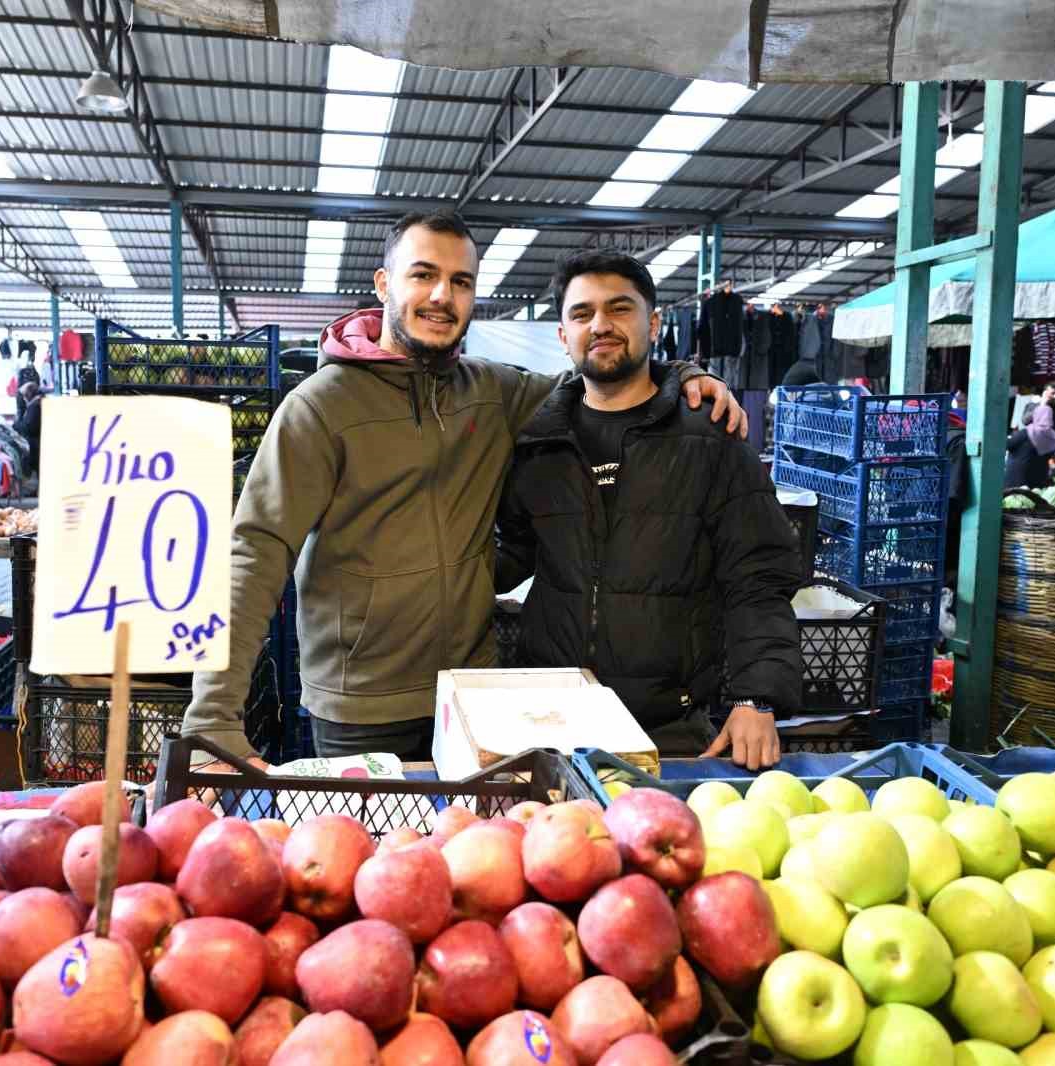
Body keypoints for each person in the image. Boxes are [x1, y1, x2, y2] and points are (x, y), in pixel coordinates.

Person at [182, 210, 745, 763]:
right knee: (374, 852)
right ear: (384, 283)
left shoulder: (493, 391)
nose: (441, 296)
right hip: (362, 707)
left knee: (477, 851)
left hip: (475, 694)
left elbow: (601, 384)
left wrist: (682, 377)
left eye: (461, 281)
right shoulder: (321, 408)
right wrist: (212, 718)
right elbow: (255, 554)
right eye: (423, 275)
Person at [494, 251, 803, 770]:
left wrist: (757, 696)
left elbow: (758, 575)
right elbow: (518, 551)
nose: (601, 325)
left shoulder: (709, 439)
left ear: (653, 323)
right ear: (562, 334)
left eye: (620, 309)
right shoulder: (537, 441)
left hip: (669, 729)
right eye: (582, 313)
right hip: (551, 720)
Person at [1003, 404, 1055, 490]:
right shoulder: (1052, 437)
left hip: (1016, 479)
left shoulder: (1026, 432)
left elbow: (1006, 445)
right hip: (1038, 480)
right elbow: (1052, 458)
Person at [15, 382, 42, 478]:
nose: (22, 398)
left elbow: (29, 427)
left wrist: (17, 425)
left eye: (23, 395)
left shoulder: (34, 407)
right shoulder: (36, 404)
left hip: (35, 445)